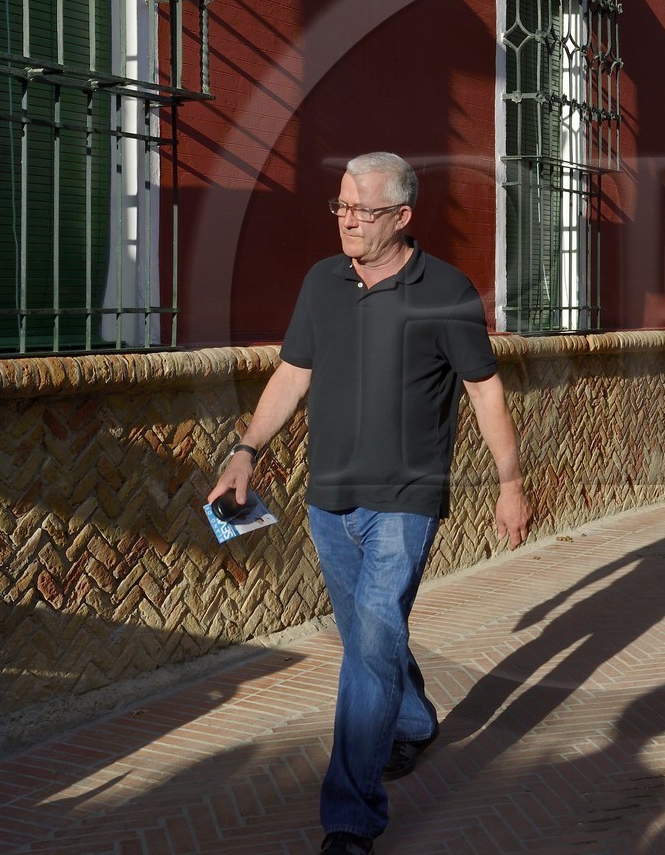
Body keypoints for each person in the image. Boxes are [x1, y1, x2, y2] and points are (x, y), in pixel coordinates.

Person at [208, 151, 528, 855]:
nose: (348, 222)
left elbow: (485, 392)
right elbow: (293, 373)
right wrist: (246, 449)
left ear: (403, 217)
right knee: (367, 639)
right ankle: (412, 721)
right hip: (330, 496)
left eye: (364, 210)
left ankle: (349, 819)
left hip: (406, 499)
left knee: (374, 637)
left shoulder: (445, 289)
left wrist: (509, 482)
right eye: (342, 207)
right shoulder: (321, 281)